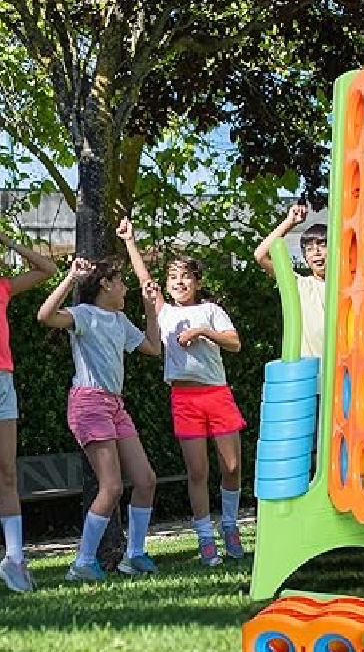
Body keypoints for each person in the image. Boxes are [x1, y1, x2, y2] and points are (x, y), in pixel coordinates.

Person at [117, 219, 246, 568]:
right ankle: (205, 536)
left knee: (231, 466)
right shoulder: (165, 312)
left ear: (197, 282)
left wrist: (204, 331)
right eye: (173, 277)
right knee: (198, 472)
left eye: (185, 276)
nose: (179, 282)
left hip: (217, 395)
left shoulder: (211, 311)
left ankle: (231, 526)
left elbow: (234, 343)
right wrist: (131, 240)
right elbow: (146, 283)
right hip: (184, 400)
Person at [37, 230, 162, 583]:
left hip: (114, 406)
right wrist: (70, 278)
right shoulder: (84, 315)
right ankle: (82, 563)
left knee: (146, 479)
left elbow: (153, 348)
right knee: (111, 488)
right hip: (89, 404)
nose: (125, 288)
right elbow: (45, 316)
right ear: (105, 284)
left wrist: (151, 311)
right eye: (122, 282)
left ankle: (134, 556)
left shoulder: (120, 321)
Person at [0, 230, 57, 593]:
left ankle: (15, 560)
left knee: (7, 472)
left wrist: (8, 242)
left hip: (3, 382)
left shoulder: (2, 287)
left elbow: (47, 268)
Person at [254, 203, 327, 452]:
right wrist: (290, 223)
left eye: (322, 245)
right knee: (313, 450)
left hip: (344, 383)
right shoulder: (300, 284)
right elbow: (261, 255)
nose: (316, 253)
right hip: (310, 383)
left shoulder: (350, 286)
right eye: (309, 248)